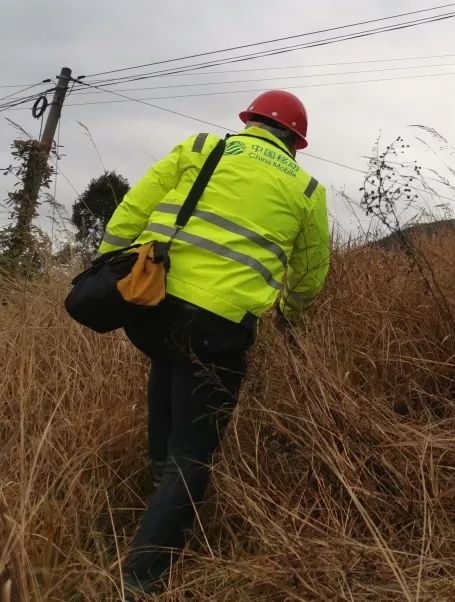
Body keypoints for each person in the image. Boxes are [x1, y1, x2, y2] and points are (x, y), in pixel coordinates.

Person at [96, 90, 330, 598]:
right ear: (295, 141)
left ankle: (157, 497)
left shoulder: (204, 146)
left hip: (153, 306)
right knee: (193, 456)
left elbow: (137, 202)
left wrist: (108, 261)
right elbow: (311, 275)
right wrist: (291, 316)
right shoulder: (308, 189)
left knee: (168, 365)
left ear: (249, 122)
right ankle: (142, 579)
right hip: (220, 330)